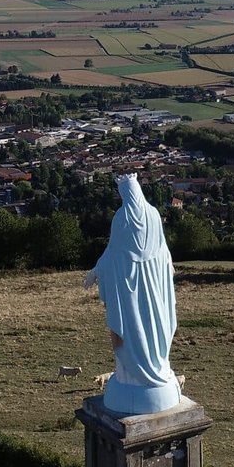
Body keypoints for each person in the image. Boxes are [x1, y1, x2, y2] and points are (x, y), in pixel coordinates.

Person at [85, 174, 181, 414]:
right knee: (154, 330)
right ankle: (156, 370)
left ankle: (133, 377)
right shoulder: (153, 215)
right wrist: (166, 265)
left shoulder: (123, 217)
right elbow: (162, 250)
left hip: (129, 293)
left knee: (131, 332)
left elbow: (113, 254)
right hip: (154, 289)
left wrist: (97, 271)